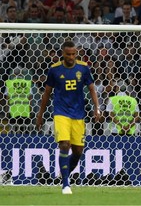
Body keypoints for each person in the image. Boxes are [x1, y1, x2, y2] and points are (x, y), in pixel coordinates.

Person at [36, 40, 100, 194]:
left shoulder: (83, 68)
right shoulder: (55, 70)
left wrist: (97, 109)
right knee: (64, 144)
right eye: (68, 54)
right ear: (62, 54)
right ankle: (65, 184)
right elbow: (47, 93)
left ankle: (65, 174)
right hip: (61, 112)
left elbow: (92, 89)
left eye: (73, 54)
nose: (71, 57)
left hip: (78, 114)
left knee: (78, 152)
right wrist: (40, 114)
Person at [4, 66, 32, 134]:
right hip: (25, 110)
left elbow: (7, 97)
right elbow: (30, 97)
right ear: (22, 73)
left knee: (13, 129)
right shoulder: (27, 83)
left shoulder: (10, 83)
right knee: (24, 129)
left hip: (13, 110)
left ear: (13, 74)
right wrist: (30, 108)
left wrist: (6, 109)